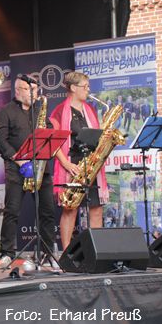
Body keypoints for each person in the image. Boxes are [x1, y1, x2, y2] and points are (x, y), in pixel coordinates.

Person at [0, 75, 56, 269]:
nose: (33, 94)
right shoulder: (6, 111)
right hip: (17, 167)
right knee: (12, 211)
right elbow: (0, 140)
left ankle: (47, 253)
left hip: (41, 168)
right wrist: (20, 160)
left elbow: (49, 132)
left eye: (35, 90)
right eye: (29, 90)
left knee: (47, 211)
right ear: (18, 91)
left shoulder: (39, 109)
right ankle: (7, 253)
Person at [50, 71, 108, 250]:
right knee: (70, 209)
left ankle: (97, 251)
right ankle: (66, 253)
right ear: (73, 88)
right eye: (85, 86)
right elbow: (53, 141)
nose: (88, 90)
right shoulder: (59, 111)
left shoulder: (90, 109)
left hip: (91, 166)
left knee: (96, 208)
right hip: (72, 166)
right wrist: (66, 164)